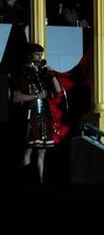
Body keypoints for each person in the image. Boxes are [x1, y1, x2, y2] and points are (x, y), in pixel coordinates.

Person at [11, 43, 61, 182]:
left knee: (42, 151)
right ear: (30, 55)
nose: (40, 57)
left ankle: (40, 182)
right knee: (28, 150)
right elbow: (15, 97)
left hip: (44, 115)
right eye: (37, 54)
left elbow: (57, 90)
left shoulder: (42, 73)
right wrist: (36, 96)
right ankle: (25, 180)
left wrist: (52, 74)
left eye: (41, 55)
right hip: (29, 115)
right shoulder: (21, 72)